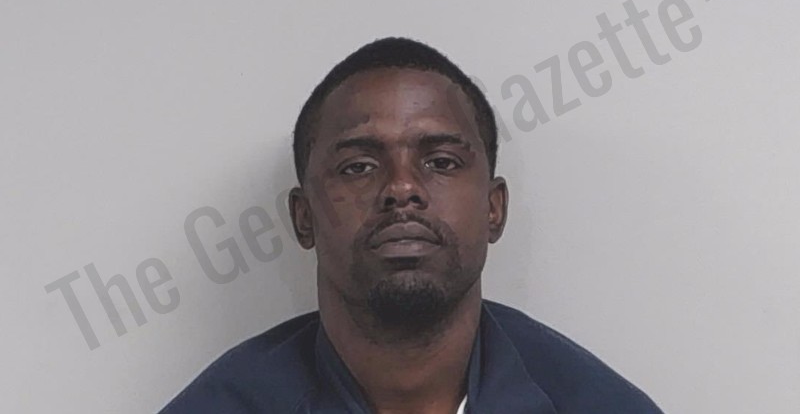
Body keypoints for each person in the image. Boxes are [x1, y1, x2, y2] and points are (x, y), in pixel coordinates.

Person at [161, 37, 663, 413]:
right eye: (358, 166)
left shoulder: (596, 404)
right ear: (304, 217)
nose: (401, 188)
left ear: (494, 208)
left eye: (441, 162)